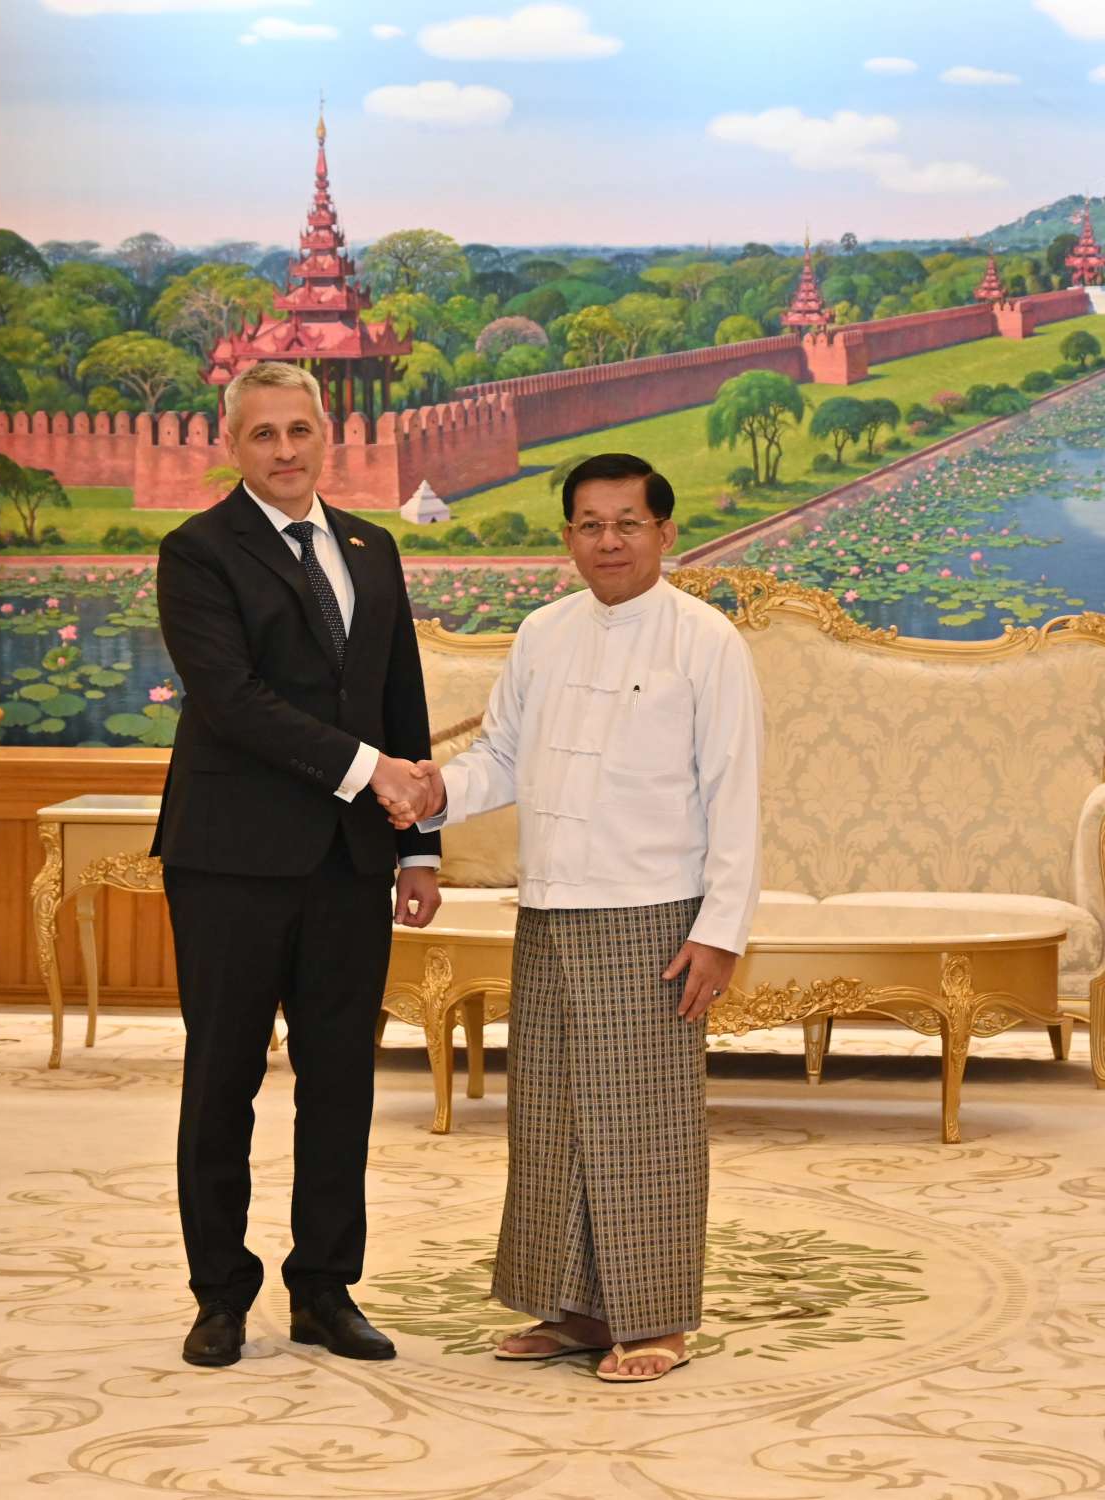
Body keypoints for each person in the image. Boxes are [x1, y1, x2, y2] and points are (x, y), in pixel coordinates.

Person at [382, 453, 763, 1383]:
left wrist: (720, 931)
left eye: (627, 523)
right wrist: (433, 794)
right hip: (549, 907)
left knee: (641, 1121)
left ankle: (657, 1320)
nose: (608, 542)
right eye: (589, 525)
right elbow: (503, 757)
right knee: (550, 1117)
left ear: (665, 534)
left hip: (652, 912)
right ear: (567, 538)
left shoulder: (705, 641)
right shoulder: (543, 632)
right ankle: (576, 1311)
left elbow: (735, 794)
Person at [152, 361, 441, 1368]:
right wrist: (374, 774)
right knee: (222, 1079)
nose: (284, 450)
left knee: (342, 1082)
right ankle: (220, 1295)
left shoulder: (372, 546)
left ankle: (325, 1289)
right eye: (263, 433)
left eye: (299, 431)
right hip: (229, 860)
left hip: (352, 864)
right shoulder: (196, 552)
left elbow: (399, 692)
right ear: (231, 445)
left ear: (328, 436)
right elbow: (230, 702)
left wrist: (420, 848)